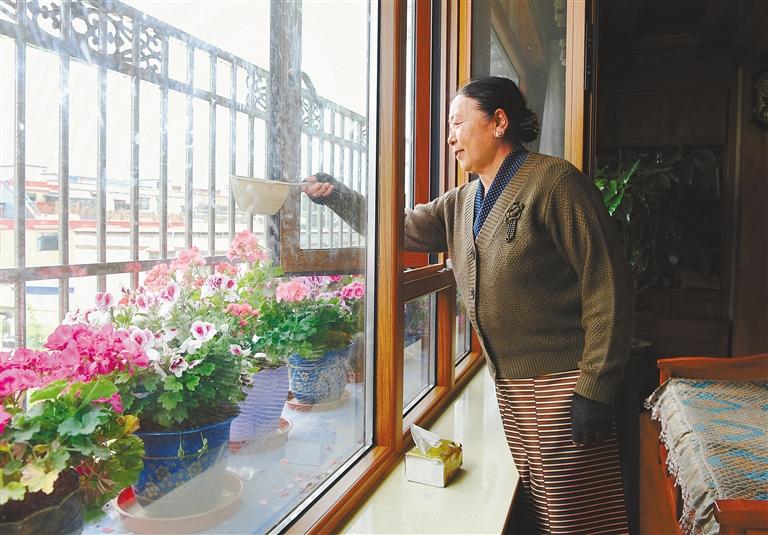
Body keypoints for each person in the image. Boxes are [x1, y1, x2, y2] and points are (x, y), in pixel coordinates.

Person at [303, 76, 634, 535]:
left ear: (499, 122)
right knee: (548, 513)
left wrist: (595, 387)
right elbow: (402, 228)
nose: (450, 137)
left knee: (580, 520)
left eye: (458, 123)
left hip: (563, 383)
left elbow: (608, 283)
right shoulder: (464, 201)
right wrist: (339, 197)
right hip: (511, 386)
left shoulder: (555, 182)